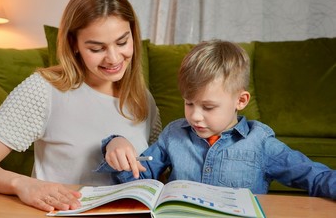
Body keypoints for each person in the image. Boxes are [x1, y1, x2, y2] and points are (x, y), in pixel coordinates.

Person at [0, 0, 161, 212]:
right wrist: (23, 184)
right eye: (96, 48)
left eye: (122, 42)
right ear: (74, 44)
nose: (113, 58)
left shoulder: (143, 99)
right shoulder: (44, 90)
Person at [97, 39, 336, 199]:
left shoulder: (260, 142)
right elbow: (141, 176)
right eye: (189, 103)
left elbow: (313, 175)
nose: (195, 116)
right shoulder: (173, 135)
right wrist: (116, 148)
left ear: (240, 101)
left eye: (208, 107)